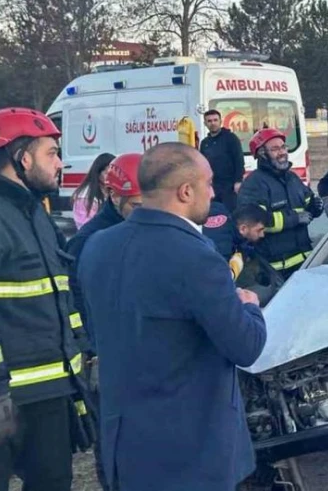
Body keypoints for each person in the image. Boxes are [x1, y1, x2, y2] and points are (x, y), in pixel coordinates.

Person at [77, 142, 267, 491]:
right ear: (185, 191)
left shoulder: (96, 247)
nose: (212, 192)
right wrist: (250, 307)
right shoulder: (195, 257)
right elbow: (245, 346)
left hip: (126, 447)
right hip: (190, 456)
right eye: (208, 184)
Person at [0, 107, 91, 491]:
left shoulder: (34, 211)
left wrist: (79, 368)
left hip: (49, 393)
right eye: (52, 152)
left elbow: (60, 297)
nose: (61, 162)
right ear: (23, 156)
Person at [64, 152, 142, 491]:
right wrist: (90, 347)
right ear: (113, 195)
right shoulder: (90, 240)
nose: (145, 213)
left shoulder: (145, 227)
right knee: (113, 440)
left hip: (141, 349)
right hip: (105, 354)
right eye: (138, 205)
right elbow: (75, 298)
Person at [238, 128, 323, 278]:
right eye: (275, 149)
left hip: (305, 263)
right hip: (275, 269)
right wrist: (294, 219)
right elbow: (255, 222)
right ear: (262, 154)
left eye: (283, 147)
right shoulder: (254, 184)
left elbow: (308, 202)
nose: (282, 152)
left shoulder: (292, 178)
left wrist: (316, 207)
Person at [229, 204, 286, 305]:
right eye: (259, 230)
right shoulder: (226, 247)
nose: (262, 235)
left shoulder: (242, 245)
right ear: (243, 229)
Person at [199, 108, 246, 210]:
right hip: (213, 186)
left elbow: (239, 160)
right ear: (205, 123)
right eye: (209, 121)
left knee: (230, 214)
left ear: (220, 121)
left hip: (229, 187)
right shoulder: (205, 143)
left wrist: (238, 181)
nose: (213, 123)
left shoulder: (231, 138)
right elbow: (202, 164)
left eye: (215, 120)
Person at [72, 152, 116, 228]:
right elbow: (84, 226)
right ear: (98, 173)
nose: (111, 177)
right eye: (107, 173)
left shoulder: (114, 191)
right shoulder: (84, 197)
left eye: (114, 173)